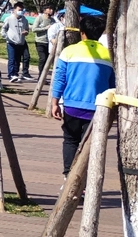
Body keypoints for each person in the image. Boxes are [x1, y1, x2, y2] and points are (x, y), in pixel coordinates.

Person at [50, 15, 114, 177]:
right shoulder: (109, 55)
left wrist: (54, 102)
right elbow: (113, 85)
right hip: (98, 108)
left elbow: (59, 79)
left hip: (72, 106)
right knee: (90, 146)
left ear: (81, 32)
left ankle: (68, 176)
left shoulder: (69, 52)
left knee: (70, 140)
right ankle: (84, 181)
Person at [2, 2, 32, 82]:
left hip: (21, 42)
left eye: (22, 10)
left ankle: (15, 74)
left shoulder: (24, 20)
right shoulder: (9, 19)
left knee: (18, 59)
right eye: (19, 10)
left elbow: (27, 29)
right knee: (12, 59)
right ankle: (11, 75)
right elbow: (3, 29)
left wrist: (26, 32)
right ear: (14, 10)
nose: (21, 11)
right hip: (11, 42)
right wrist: (7, 37)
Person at [33, 5, 56, 76]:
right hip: (40, 41)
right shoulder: (39, 18)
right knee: (42, 58)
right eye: (50, 9)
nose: (51, 10)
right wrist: (45, 28)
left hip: (49, 43)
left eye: (52, 9)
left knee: (47, 60)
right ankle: (40, 76)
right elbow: (34, 29)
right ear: (45, 10)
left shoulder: (53, 20)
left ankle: (44, 75)